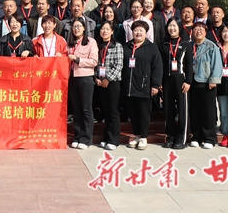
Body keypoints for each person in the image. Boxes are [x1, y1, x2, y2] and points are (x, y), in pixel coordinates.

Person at [121, 21, 161, 150]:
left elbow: (157, 67)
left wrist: (155, 85)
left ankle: (144, 137)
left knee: (144, 113)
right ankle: (136, 134)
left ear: (146, 33)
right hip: (129, 87)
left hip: (145, 86)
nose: (138, 33)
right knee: (133, 113)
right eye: (136, 30)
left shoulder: (151, 48)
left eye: (141, 30)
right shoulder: (126, 47)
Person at [159, 18, 193, 150]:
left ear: (179, 27)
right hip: (167, 80)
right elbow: (160, 64)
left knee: (182, 109)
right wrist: (159, 81)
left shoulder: (185, 44)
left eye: (174, 26)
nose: (172, 29)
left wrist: (188, 81)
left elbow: (189, 64)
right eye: (170, 26)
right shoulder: (164, 44)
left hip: (181, 79)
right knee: (168, 109)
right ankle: (171, 136)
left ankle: (182, 138)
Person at [188, 22, 223, 149]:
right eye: (196, 29)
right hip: (192, 83)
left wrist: (213, 80)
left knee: (208, 112)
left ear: (205, 31)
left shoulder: (211, 46)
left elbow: (217, 64)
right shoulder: (189, 45)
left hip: (207, 82)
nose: (198, 31)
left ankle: (209, 138)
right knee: (195, 111)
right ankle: (196, 137)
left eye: (201, 29)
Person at [66, 17, 99, 150]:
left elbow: (94, 61)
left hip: (85, 78)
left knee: (86, 109)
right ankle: (77, 136)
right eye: (74, 26)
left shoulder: (91, 42)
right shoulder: (69, 43)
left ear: (84, 28)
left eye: (79, 26)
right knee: (77, 110)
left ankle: (86, 139)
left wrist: (78, 59)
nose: (77, 29)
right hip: (72, 78)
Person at [94, 21, 123, 150]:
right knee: (105, 111)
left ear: (112, 31)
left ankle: (114, 139)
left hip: (113, 82)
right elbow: (97, 63)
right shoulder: (98, 46)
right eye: (102, 29)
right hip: (100, 83)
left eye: (107, 29)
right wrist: (97, 78)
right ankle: (106, 137)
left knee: (113, 111)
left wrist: (108, 78)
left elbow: (119, 65)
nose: (104, 31)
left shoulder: (117, 46)